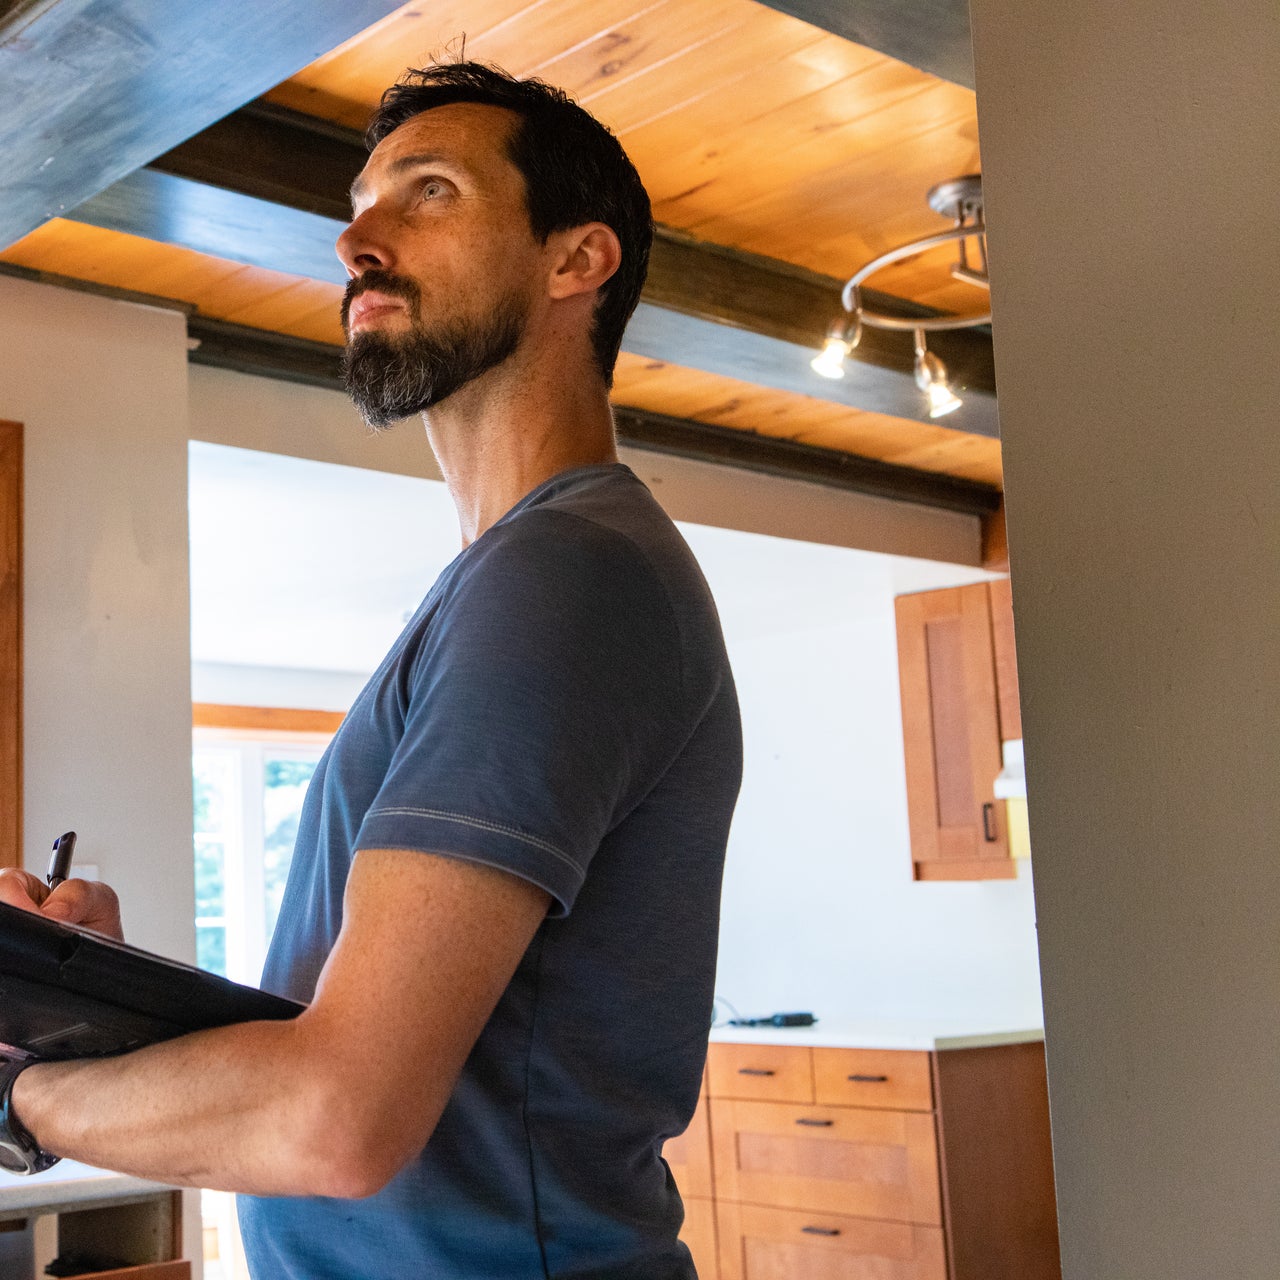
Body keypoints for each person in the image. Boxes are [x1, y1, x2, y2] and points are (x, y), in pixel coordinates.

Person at [0, 61, 742, 1279]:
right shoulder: (520, 577)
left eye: (428, 191)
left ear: (577, 261)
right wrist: (108, 1008)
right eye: (359, 202)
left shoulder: (564, 576)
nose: (356, 238)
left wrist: (22, 1103)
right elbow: (355, 1044)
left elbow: (336, 1116)